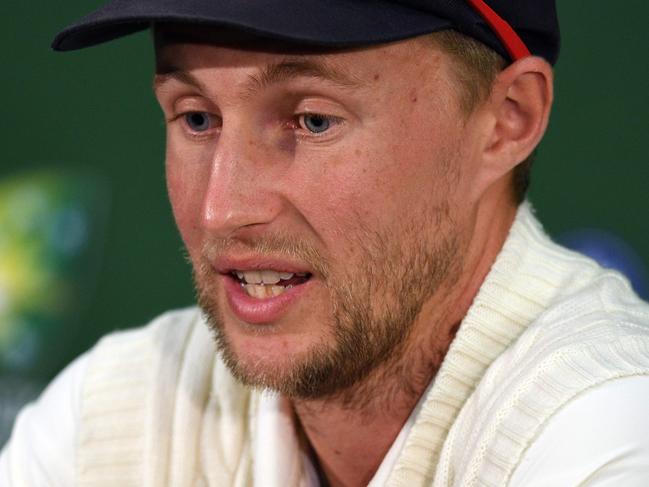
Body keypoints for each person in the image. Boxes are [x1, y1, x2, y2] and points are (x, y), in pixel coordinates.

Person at [2, 1, 649, 485]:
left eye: (313, 119)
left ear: (506, 120)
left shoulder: (611, 429)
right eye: (196, 118)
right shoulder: (114, 412)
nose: (223, 208)